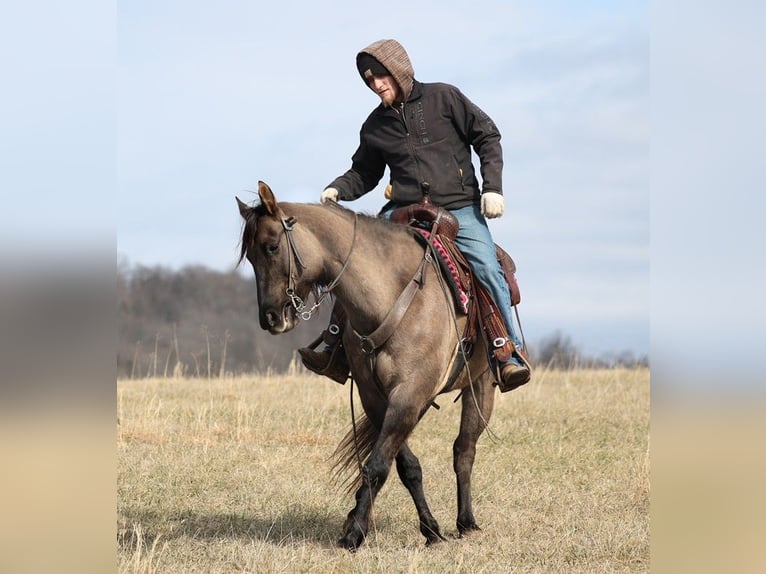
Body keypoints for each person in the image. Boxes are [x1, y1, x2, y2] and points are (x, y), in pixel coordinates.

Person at [299, 38, 530, 391]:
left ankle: (507, 353)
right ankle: (335, 347)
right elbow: (364, 172)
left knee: (486, 265)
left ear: (399, 70)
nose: (376, 84)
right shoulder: (375, 126)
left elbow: (487, 136)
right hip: (404, 211)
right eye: (369, 80)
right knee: (356, 259)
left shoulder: (445, 98)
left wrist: (493, 188)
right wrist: (337, 189)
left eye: (381, 76)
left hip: (458, 207)